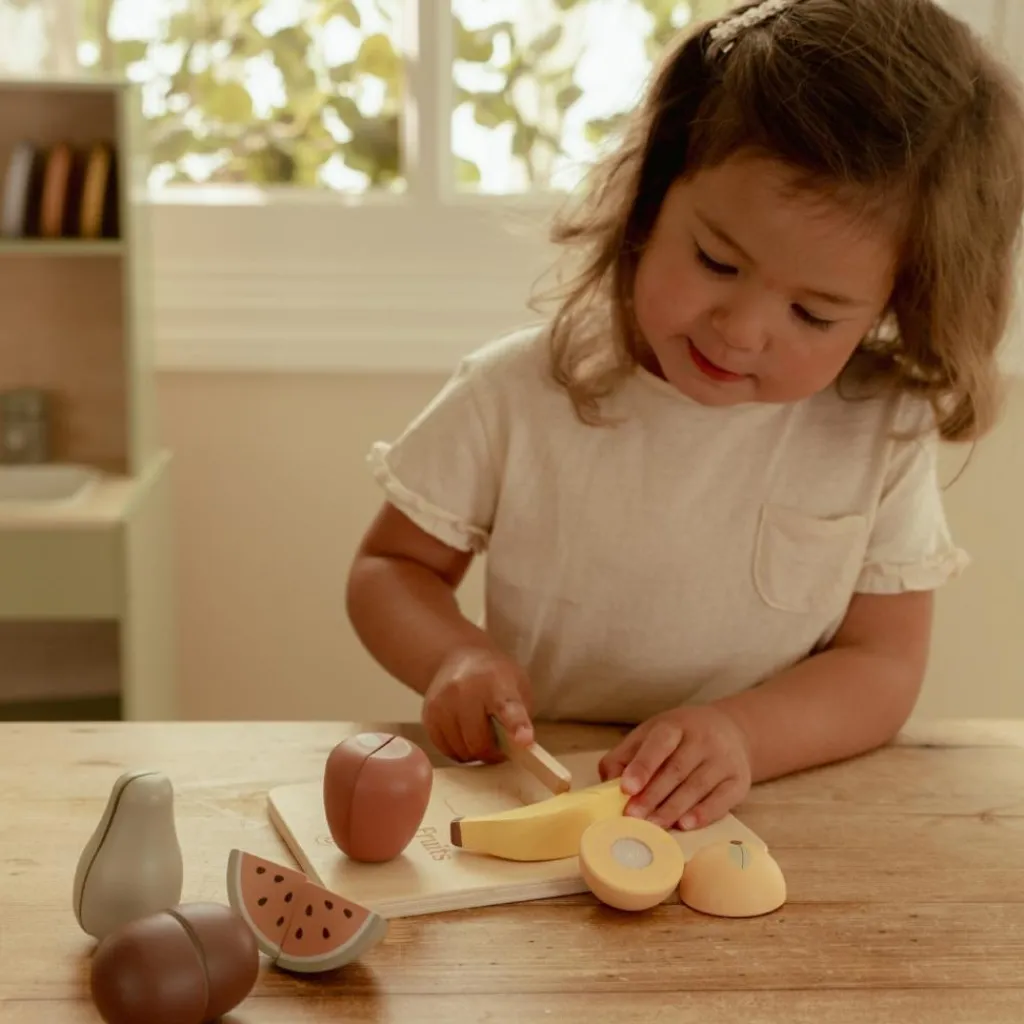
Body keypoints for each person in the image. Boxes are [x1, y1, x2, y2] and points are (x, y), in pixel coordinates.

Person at [346, 0, 1024, 832]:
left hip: (776, 807)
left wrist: (743, 735)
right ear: (652, 195)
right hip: (540, 796)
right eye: (716, 260)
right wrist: (456, 655)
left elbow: (882, 664)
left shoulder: (877, 430)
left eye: (814, 315)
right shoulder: (517, 392)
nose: (741, 331)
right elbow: (391, 567)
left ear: (897, 305)